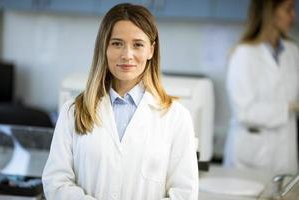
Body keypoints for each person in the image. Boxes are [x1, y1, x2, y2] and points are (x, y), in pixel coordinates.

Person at [42, 3, 199, 200]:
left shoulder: (177, 117)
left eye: (138, 44)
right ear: (104, 47)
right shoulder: (72, 112)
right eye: (117, 43)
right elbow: (56, 182)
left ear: (151, 50)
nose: (127, 55)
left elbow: (184, 194)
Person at [224, 0, 299, 175]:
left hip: (286, 156)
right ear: (270, 12)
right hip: (251, 160)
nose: (293, 16)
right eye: (288, 9)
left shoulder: (293, 52)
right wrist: (289, 107)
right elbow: (244, 112)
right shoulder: (243, 54)